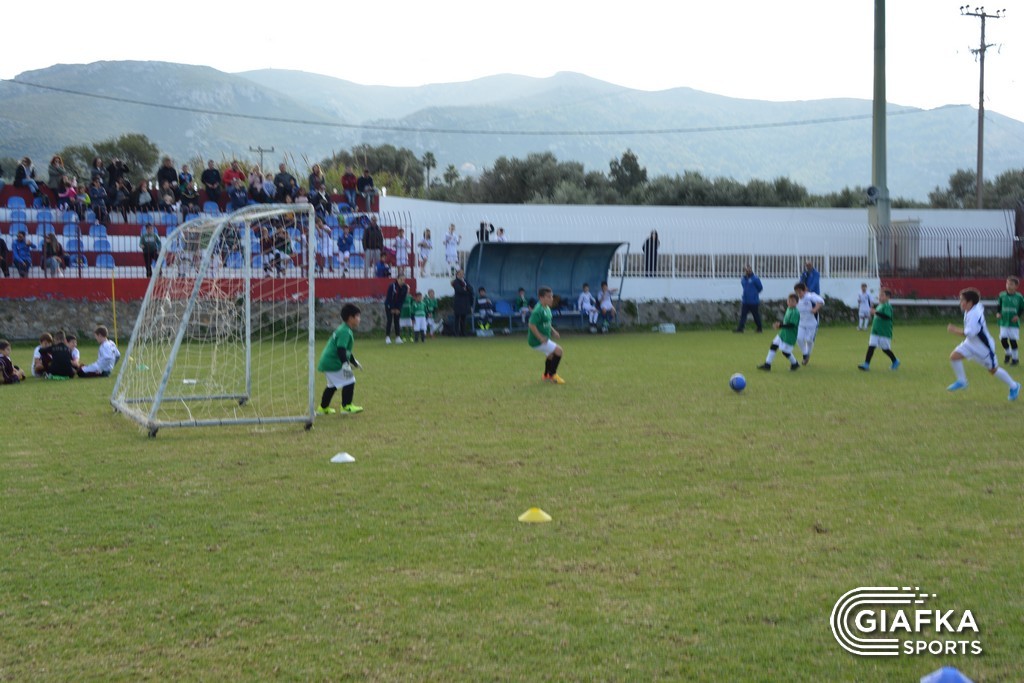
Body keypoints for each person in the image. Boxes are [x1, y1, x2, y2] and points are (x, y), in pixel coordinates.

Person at [947, 287, 1021, 400]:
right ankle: (962, 381)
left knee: (993, 370)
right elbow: (979, 304)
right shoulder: (973, 307)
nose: (960, 302)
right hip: (970, 343)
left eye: (962, 300)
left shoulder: (974, 315)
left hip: (983, 347)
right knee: (954, 357)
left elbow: (970, 333)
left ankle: (1014, 386)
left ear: (970, 302)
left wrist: (954, 330)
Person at [316, 303, 364, 415]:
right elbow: (341, 349)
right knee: (350, 380)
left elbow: (346, 350)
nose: (359, 319)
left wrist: (354, 361)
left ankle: (323, 408)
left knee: (332, 386)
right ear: (351, 318)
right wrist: (345, 364)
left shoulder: (344, 329)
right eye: (358, 316)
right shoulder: (345, 331)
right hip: (333, 362)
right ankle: (346, 406)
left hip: (328, 362)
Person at [528, 286, 566, 384]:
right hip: (536, 341)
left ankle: (546, 375)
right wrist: (540, 337)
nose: (551, 299)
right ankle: (553, 375)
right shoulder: (538, 310)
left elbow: (547, 323)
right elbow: (531, 325)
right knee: (559, 351)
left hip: (544, 338)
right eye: (548, 297)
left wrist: (553, 331)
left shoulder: (547, 308)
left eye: (552, 296)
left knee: (551, 355)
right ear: (541, 298)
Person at [858, 288, 900, 371]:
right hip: (875, 331)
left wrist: (875, 312)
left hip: (884, 332)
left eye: (882, 296)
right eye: (879, 295)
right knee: (871, 346)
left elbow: (887, 317)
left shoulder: (887, 306)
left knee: (885, 349)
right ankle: (866, 364)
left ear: (888, 297)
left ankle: (895, 361)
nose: (880, 297)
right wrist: (874, 313)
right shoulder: (880, 305)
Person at [757, 293, 801, 372]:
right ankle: (767, 365)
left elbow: (791, 325)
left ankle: (795, 364)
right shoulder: (789, 309)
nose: (790, 302)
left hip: (790, 336)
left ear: (797, 303)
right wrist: (780, 325)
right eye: (789, 300)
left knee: (785, 352)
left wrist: (780, 325)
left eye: (793, 301)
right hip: (783, 334)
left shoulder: (795, 312)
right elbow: (786, 322)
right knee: (773, 345)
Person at [995, 276, 1024, 366]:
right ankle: (1008, 353)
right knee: (1003, 339)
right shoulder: (1002, 295)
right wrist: (998, 313)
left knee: (1012, 341)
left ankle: (1015, 359)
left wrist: (1017, 316)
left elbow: (1022, 308)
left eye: (1011, 284)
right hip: (1004, 321)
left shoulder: (1019, 297)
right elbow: (999, 306)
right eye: (1007, 283)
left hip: (1013, 323)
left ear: (1016, 286)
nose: (1008, 286)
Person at [793, 282, 825, 365]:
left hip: (812, 323)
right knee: (799, 338)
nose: (798, 294)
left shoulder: (810, 296)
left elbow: (821, 301)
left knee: (809, 340)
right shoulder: (796, 299)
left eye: (800, 292)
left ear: (805, 290)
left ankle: (808, 355)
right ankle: (805, 355)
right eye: (796, 292)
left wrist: (815, 309)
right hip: (801, 322)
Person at [735, 265, 763, 333]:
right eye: (746, 270)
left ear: (751, 270)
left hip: (753, 301)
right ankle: (740, 328)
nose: (747, 271)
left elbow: (760, 288)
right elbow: (744, 286)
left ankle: (759, 328)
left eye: (749, 270)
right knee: (743, 315)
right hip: (745, 301)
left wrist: (754, 294)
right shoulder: (743, 279)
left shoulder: (755, 278)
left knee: (755, 315)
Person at [384, 275, 409, 344]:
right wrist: (392, 308)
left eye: (404, 280)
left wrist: (398, 308)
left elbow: (402, 299)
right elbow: (389, 297)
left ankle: (398, 337)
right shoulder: (392, 286)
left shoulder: (405, 287)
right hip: (389, 305)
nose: (402, 281)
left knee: (397, 321)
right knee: (389, 320)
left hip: (397, 307)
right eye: (401, 279)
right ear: (397, 279)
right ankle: (387, 337)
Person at [450, 270, 473, 337]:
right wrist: (465, 290)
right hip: (458, 302)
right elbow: (459, 290)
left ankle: (463, 332)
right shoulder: (456, 282)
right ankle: (456, 333)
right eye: (460, 274)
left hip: (465, 303)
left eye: (463, 274)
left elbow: (471, 289)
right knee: (457, 318)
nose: (462, 275)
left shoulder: (465, 281)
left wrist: (466, 289)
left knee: (464, 318)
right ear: (457, 274)